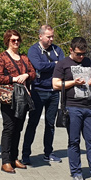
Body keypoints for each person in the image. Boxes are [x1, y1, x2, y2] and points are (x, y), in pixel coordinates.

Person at [52, 36, 91, 180]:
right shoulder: (63, 64)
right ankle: (76, 172)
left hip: (89, 107)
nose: (81, 57)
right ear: (71, 50)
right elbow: (55, 84)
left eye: (83, 54)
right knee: (74, 141)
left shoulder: (89, 63)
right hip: (72, 107)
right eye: (78, 54)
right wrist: (73, 82)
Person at [0, 29, 35, 173]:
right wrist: (14, 79)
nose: (16, 42)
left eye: (18, 40)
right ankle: (5, 161)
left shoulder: (24, 57)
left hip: (22, 97)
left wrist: (25, 75)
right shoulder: (2, 57)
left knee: (18, 128)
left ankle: (14, 157)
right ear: (7, 41)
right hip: (9, 98)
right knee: (9, 128)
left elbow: (33, 73)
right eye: (13, 40)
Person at [22, 25, 64, 164]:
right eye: (48, 36)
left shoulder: (57, 50)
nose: (51, 39)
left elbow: (62, 66)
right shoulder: (33, 50)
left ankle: (48, 152)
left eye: (52, 36)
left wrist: (53, 64)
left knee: (50, 124)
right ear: (40, 36)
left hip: (54, 92)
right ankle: (26, 154)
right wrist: (54, 64)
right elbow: (38, 66)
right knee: (32, 123)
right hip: (38, 91)